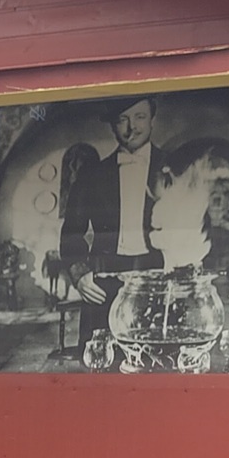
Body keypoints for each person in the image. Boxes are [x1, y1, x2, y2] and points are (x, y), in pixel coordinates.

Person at [58, 96, 166, 352]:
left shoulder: (175, 166)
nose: (132, 128)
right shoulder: (91, 173)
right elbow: (71, 232)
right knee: (100, 361)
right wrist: (79, 273)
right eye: (122, 120)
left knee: (157, 363)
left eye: (139, 117)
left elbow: (194, 230)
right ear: (112, 126)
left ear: (152, 120)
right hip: (103, 280)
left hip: (159, 277)